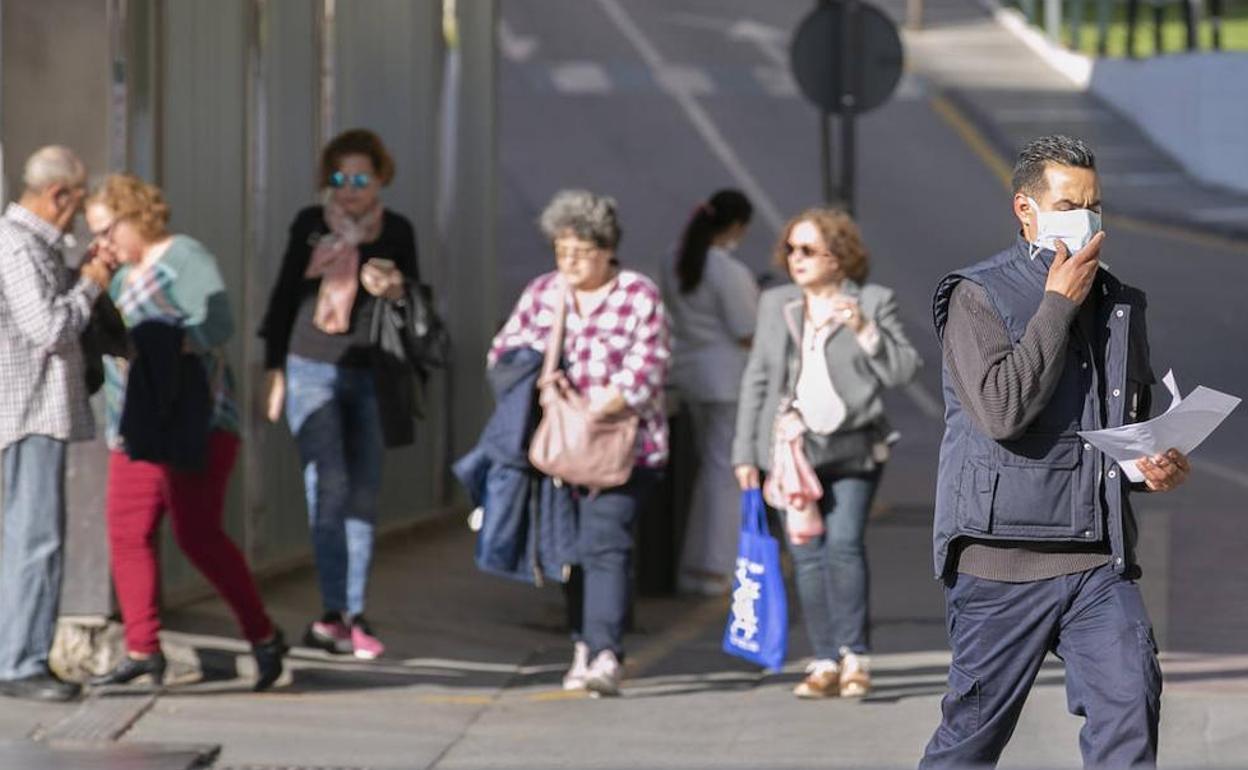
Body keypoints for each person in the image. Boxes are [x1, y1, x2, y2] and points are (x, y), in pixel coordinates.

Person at [919, 135, 1190, 768]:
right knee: (970, 743)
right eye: (1069, 203)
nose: (1087, 219)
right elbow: (1001, 411)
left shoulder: (1121, 303)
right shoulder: (976, 296)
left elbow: (1121, 431)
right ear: (1026, 209)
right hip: (1001, 562)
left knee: (1131, 709)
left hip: (1098, 560)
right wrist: (1057, 304)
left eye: (1095, 205)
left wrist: (1154, 466)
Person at [82, 174, 286, 691]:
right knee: (128, 532)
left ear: (135, 217)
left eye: (107, 231)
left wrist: (162, 343)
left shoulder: (183, 257)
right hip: (134, 422)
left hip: (197, 417)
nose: (102, 244)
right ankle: (142, 649)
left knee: (197, 533)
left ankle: (262, 636)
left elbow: (217, 325)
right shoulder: (119, 277)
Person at [732, 208, 920, 699]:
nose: (796, 259)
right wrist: (745, 452)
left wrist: (863, 329)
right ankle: (823, 659)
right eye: (792, 249)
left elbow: (902, 371)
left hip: (855, 447)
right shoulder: (778, 304)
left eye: (808, 250)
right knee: (807, 556)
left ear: (839, 257)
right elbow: (757, 378)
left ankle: (855, 656)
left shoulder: (873, 302)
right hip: (792, 452)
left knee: (843, 545)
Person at [489, 189, 669, 696]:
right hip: (560, 449)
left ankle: (606, 649)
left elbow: (648, 368)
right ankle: (584, 644)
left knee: (607, 543)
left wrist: (602, 405)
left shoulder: (638, 294)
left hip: (626, 445)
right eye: (561, 250)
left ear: (607, 248)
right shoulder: (545, 293)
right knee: (571, 549)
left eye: (581, 252)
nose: (569, 261)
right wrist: (538, 381)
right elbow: (503, 352)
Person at [260, 129, 420, 660]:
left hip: (371, 371)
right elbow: (286, 294)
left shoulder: (396, 230)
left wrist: (394, 289)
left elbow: (417, 303)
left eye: (359, 179)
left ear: (380, 179)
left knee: (363, 494)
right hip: (310, 366)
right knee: (325, 489)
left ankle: (353, 613)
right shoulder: (311, 226)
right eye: (338, 178)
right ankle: (332, 611)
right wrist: (274, 367)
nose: (348, 190)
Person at [0, 146, 114, 701]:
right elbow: (48, 327)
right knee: (36, 538)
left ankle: (17, 654)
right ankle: (20, 662)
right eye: (78, 196)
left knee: (26, 538)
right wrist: (90, 283)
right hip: (27, 411)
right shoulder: (17, 245)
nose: (77, 209)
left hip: (32, 410)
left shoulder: (31, 246)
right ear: (57, 196)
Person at [659, 189, 758, 596]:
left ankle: (696, 566)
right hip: (727, 379)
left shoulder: (674, 259)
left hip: (689, 375)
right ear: (736, 227)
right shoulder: (728, 271)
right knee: (726, 473)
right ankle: (717, 568)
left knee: (707, 470)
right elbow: (746, 329)